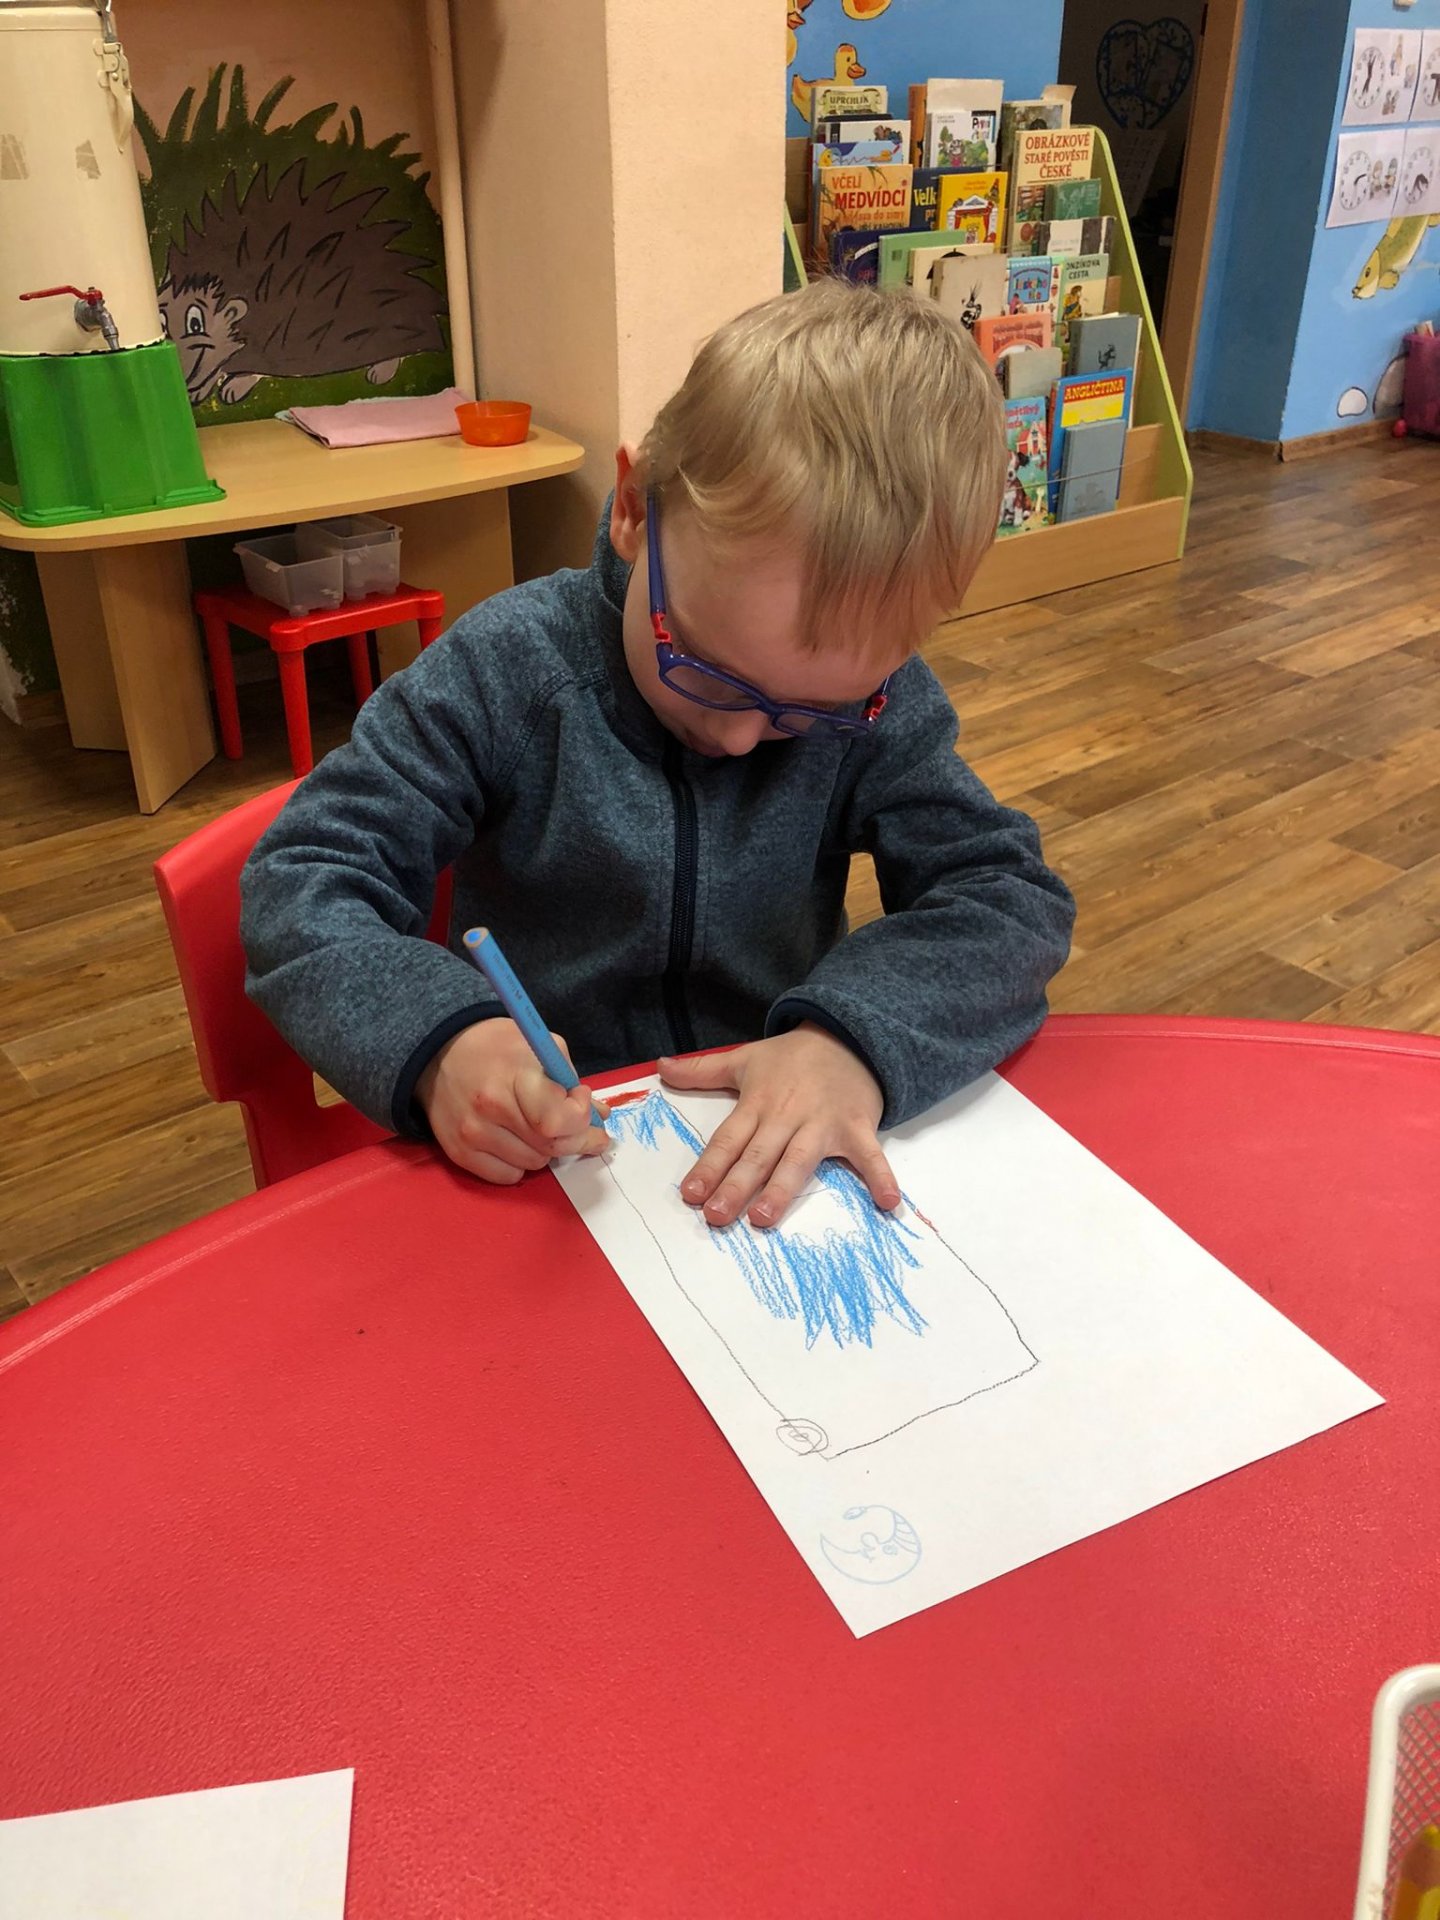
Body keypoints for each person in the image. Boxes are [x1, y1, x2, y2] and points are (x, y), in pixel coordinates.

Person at [240, 279, 1075, 1230]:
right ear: (637, 510)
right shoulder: (506, 670)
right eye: (709, 672)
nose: (740, 738)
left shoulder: (883, 702)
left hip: (774, 1147)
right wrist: (442, 1039)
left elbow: (1007, 897)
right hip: (549, 1157)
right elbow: (304, 876)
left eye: (814, 712)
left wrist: (850, 1039)